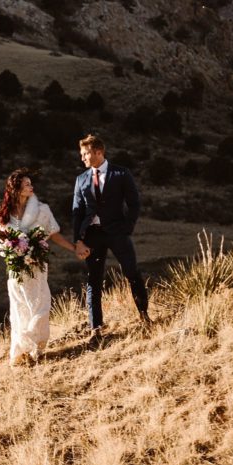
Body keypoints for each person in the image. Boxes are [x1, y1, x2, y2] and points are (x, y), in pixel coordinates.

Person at [0, 168, 89, 366]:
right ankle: (21, 351)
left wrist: (74, 248)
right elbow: (3, 241)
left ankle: (36, 346)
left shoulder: (42, 210)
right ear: (16, 189)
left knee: (41, 303)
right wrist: (14, 251)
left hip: (37, 265)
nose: (31, 187)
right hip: (17, 269)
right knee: (20, 307)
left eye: (31, 183)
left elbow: (53, 235)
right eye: (27, 184)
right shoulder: (1, 214)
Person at [72, 134, 149, 339]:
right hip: (92, 235)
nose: (82, 158)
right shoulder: (81, 179)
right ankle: (96, 327)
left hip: (117, 233)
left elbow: (134, 203)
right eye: (81, 154)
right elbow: (77, 213)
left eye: (85, 153)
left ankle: (144, 315)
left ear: (98, 152)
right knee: (93, 280)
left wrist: (126, 228)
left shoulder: (121, 173)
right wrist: (78, 240)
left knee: (132, 273)